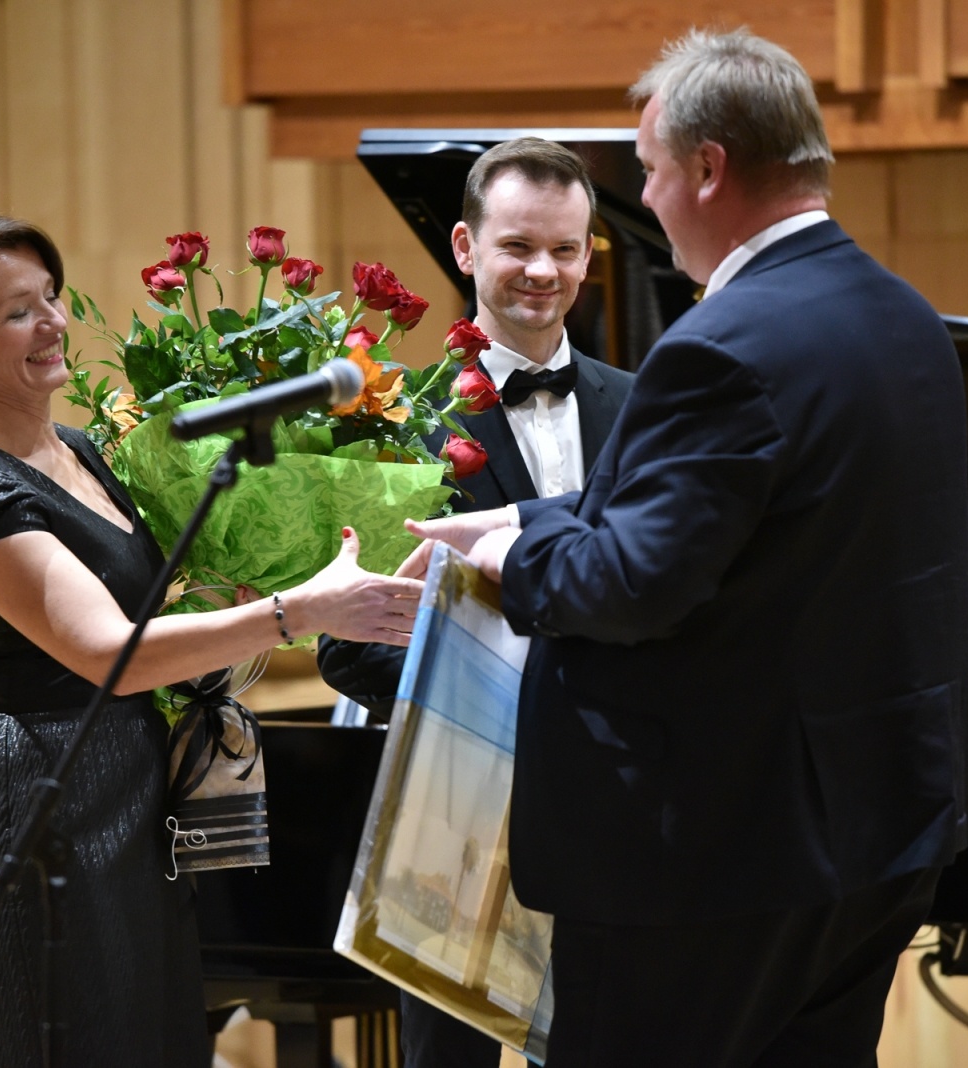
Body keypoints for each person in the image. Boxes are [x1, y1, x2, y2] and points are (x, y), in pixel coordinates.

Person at [401, 29, 968, 1067]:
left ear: (709, 169)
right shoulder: (902, 316)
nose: (650, 201)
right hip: (877, 824)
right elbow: (764, 531)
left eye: (653, 172)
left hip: (718, 853)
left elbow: (631, 588)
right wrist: (530, 517)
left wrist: (505, 561)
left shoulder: (722, 343)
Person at [0, 214, 421, 1068]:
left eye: (52, 298)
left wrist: (238, 580)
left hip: (135, 780)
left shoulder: (79, 450)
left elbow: (150, 613)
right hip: (44, 791)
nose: (55, 323)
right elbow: (112, 655)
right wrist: (297, 611)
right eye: (19, 312)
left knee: (160, 1037)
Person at [318, 138, 633, 1067]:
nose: (544, 271)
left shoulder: (649, 408)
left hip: (614, 813)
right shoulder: (395, 422)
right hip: (454, 813)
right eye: (518, 246)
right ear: (464, 247)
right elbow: (347, 642)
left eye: (567, 249)